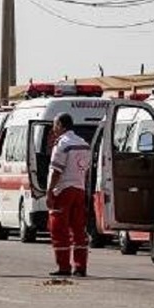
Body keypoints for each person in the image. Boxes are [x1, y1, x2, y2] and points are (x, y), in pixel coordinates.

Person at [46, 113, 90, 277]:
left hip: (63, 190)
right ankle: (80, 266)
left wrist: (49, 191)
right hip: (79, 189)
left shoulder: (62, 144)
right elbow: (85, 169)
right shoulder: (83, 144)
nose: (53, 128)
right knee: (79, 230)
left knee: (59, 230)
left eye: (55, 125)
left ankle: (64, 266)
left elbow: (57, 171)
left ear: (62, 126)